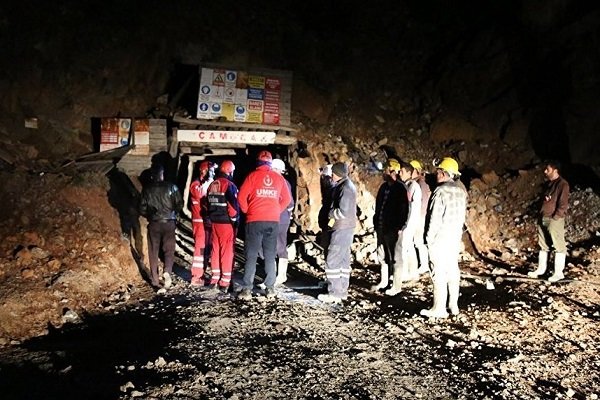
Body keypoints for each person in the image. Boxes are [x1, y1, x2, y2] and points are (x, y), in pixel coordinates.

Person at [237, 150, 293, 300]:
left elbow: (241, 197)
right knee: (270, 255)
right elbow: (287, 200)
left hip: (254, 220)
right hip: (272, 221)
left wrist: (247, 211)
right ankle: (270, 289)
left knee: (251, 255)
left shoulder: (252, 176)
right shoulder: (278, 178)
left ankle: (247, 289)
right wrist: (276, 211)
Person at [420, 157, 467, 318]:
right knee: (453, 271)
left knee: (438, 273)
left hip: (439, 239)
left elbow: (434, 219)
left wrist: (428, 239)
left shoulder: (440, 192)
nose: (436, 174)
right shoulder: (461, 191)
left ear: (444, 173)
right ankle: (453, 305)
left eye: (439, 171)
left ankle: (439, 308)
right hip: (454, 238)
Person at [318, 161, 357, 303]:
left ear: (338, 174)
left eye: (333, 173)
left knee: (332, 260)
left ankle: (334, 293)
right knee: (343, 261)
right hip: (346, 228)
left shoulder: (345, 188)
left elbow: (343, 212)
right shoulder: (345, 185)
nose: (332, 176)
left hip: (341, 228)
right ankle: (341, 291)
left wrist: (330, 214)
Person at [139, 165, 183, 289]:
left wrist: (150, 214)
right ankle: (167, 271)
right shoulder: (171, 187)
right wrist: (172, 212)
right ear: (162, 174)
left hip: (154, 223)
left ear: (152, 176)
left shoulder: (147, 190)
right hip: (169, 222)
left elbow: (142, 208)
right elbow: (179, 204)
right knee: (169, 250)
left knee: (153, 251)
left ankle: (154, 280)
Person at [528, 161, 570, 282]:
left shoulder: (563, 184)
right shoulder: (549, 184)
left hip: (553, 219)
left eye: (548, 169)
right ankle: (541, 270)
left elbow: (563, 204)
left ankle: (558, 273)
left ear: (555, 170)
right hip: (543, 217)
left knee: (558, 245)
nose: (545, 171)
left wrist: (556, 217)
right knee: (543, 245)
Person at [371, 158, 408, 291]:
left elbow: (404, 210)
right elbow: (379, 207)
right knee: (382, 255)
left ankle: (396, 286)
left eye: (385, 169)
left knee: (395, 257)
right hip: (382, 227)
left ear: (392, 170)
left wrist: (400, 226)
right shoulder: (383, 187)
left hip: (393, 228)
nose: (383, 172)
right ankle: (384, 281)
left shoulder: (400, 188)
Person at [386, 161, 422, 295]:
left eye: (402, 171)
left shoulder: (412, 186)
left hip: (409, 221)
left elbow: (408, 205)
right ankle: (413, 271)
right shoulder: (408, 185)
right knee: (409, 246)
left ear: (409, 172)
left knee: (404, 247)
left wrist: (403, 223)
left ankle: (406, 272)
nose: (399, 173)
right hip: (409, 221)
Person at [206, 160, 240, 293]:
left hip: (214, 222)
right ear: (230, 171)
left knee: (215, 250)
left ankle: (214, 279)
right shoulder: (229, 185)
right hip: (226, 223)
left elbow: (207, 204)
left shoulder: (212, 184)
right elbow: (233, 206)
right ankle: (225, 282)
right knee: (227, 251)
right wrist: (234, 220)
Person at [189, 160, 215, 286]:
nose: (213, 173)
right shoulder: (195, 184)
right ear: (204, 171)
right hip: (199, 221)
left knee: (206, 249)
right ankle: (196, 277)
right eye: (211, 171)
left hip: (208, 221)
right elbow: (199, 193)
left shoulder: (208, 184)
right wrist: (208, 182)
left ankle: (202, 275)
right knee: (200, 249)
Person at [271, 158, 295, 286]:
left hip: (277, 218)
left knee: (277, 246)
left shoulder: (277, 182)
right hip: (281, 218)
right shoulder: (284, 182)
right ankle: (277, 275)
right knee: (278, 246)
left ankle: (280, 276)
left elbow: (289, 203)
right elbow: (290, 204)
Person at [410, 160, 431, 274]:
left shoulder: (421, 184)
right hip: (418, 216)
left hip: (420, 217)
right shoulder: (417, 183)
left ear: (416, 171)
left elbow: (423, 203)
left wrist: (418, 217)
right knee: (416, 241)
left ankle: (424, 264)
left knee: (419, 242)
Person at [318, 164, 335, 252]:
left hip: (331, 220)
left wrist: (329, 224)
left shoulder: (332, 189)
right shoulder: (330, 189)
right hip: (328, 220)